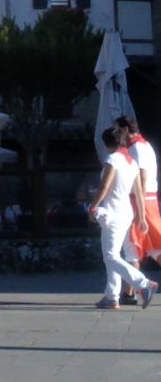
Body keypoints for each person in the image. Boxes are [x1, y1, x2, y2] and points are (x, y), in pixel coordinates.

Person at [90, 126, 158, 309]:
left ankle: (143, 284)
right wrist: (142, 217)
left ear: (106, 143)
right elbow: (138, 192)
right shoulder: (131, 162)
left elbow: (104, 187)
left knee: (111, 256)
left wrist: (93, 206)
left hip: (112, 212)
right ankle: (112, 296)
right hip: (128, 212)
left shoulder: (112, 159)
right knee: (113, 255)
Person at [116, 115, 161, 305]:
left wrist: (140, 212)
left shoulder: (135, 149)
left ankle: (129, 292)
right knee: (153, 247)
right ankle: (128, 292)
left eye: (118, 129)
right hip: (147, 200)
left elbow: (140, 178)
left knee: (135, 246)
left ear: (125, 130)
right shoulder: (146, 146)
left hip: (140, 201)